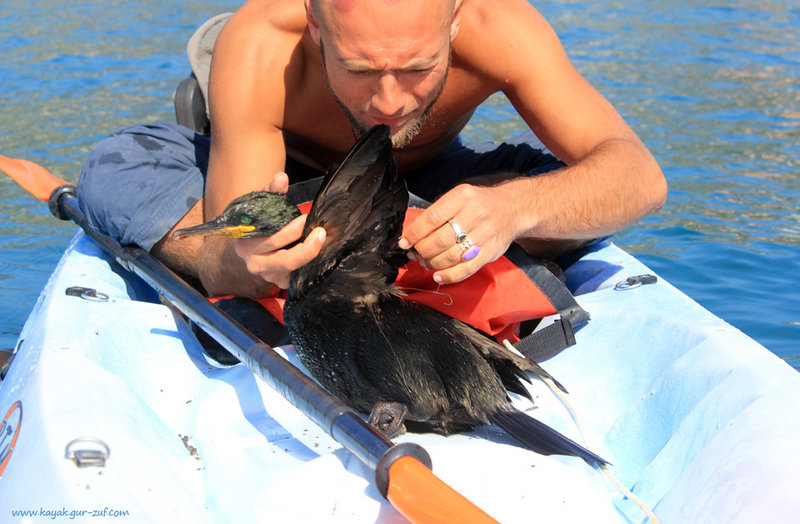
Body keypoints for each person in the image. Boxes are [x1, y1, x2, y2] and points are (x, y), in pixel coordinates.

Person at [77, 0, 666, 301]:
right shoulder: (261, 39)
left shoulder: (502, 26)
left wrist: (515, 210)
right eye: (360, 70)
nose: (389, 102)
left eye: (418, 69)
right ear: (314, 24)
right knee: (118, 163)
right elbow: (231, 256)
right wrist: (246, 261)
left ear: (454, 20)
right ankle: (417, 238)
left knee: (558, 189)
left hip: (424, 177)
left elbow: (639, 175)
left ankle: (446, 225)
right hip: (289, 183)